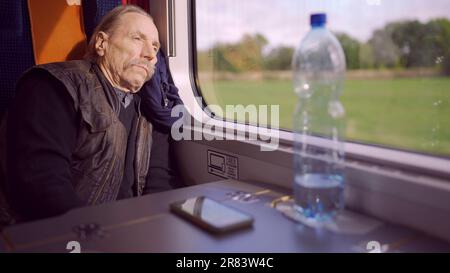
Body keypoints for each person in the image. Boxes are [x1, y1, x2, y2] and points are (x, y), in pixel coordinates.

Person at [0, 5, 182, 226]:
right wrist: (101, 235)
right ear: (101, 43)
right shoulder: (53, 86)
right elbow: (43, 186)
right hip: (57, 233)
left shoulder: (150, 112)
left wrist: (152, 229)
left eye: (155, 46)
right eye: (137, 38)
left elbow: (158, 183)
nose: (151, 54)